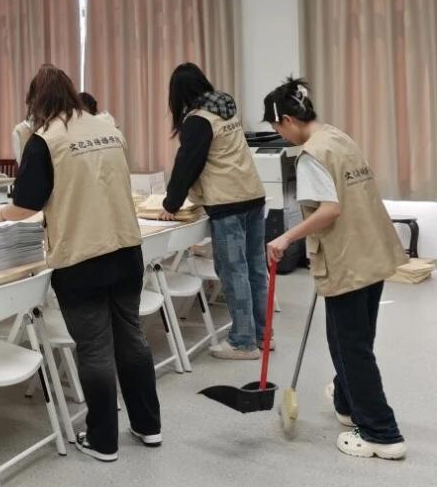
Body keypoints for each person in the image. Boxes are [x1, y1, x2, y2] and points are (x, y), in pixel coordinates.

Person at [0, 65, 160, 462]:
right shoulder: (108, 128)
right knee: (132, 339)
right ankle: (148, 426)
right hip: (127, 249)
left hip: (82, 258)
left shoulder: (46, 140)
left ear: (35, 101)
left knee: (94, 347)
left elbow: (26, 205)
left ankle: (103, 440)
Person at [263, 77, 408, 460]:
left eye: (277, 128)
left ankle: (381, 433)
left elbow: (329, 210)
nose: (280, 136)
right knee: (355, 339)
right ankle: (346, 404)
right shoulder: (337, 138)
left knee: (350, 347)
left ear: (288, 120)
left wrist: (285, 238)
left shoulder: (311, 155)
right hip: (371, 250)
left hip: (347, 258)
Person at [160, 62, 269, 360]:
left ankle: (243, 342)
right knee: (255, 270)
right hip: (253, 196)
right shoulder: (225, 109)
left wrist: (170, 204)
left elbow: (187, 165)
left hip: (228, 203)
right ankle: (262, 335)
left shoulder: (198, 120)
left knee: (234, 272)